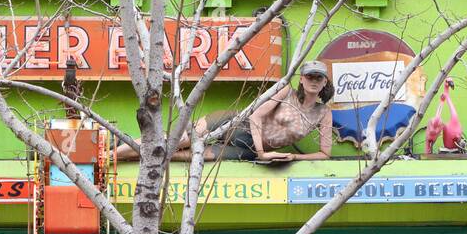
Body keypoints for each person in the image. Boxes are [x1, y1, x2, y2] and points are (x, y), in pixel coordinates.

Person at [116, 60, 335, 163]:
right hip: (236, 124)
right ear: (302, 78)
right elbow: (256, 115)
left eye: (319, 78)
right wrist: (262, 154)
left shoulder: (323, 113)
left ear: (325, 81)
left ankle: (127, 158)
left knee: (187, 156)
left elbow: (325, 154)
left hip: (248, 151)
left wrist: (291, 156)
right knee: (177, 140)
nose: (314, 82)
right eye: (310, 76)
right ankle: (112, 154)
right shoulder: (286, 90)